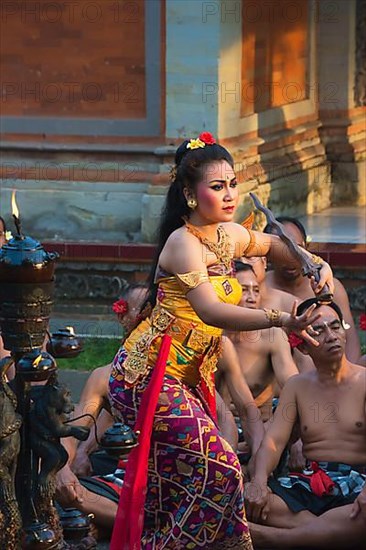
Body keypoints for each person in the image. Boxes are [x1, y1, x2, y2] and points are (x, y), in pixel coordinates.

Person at [56, 132, 334, 549]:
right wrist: (280, 319)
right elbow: (210, 310)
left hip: (187, 379)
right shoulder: (182, 243)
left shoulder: (229, 235)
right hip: (145, 376)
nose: (229, 195)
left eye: (233, 184)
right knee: (222, 469)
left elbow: (276, 245)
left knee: (179, 491)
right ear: (189, 193)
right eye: (217, 186)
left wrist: (313, 260)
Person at [246, 298, 366, 549]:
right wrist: (258, 481)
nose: (331, 336)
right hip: (310, 483)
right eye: (319, 330)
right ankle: (328, 534)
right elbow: (273, 441)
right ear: (301, 346)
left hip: (358, 483)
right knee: (248, 499)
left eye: (335, 326)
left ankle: (272, 538)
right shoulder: (297, 386)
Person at [264, 216, 362, 364]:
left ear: (307, 247)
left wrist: (348, 379)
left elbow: (350, 341)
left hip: (328, 376)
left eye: (297, 248)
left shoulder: (328, 286)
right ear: (267, 254)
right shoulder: (259, 289)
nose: (290, 256)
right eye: (281, 250)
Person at [220, 262, 298, 422]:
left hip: (262, 429)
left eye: (256, 291)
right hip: (214, 430)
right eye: (244, 290)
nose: (252, 299)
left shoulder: (272, 337)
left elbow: (295, 389)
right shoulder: (209, 337)